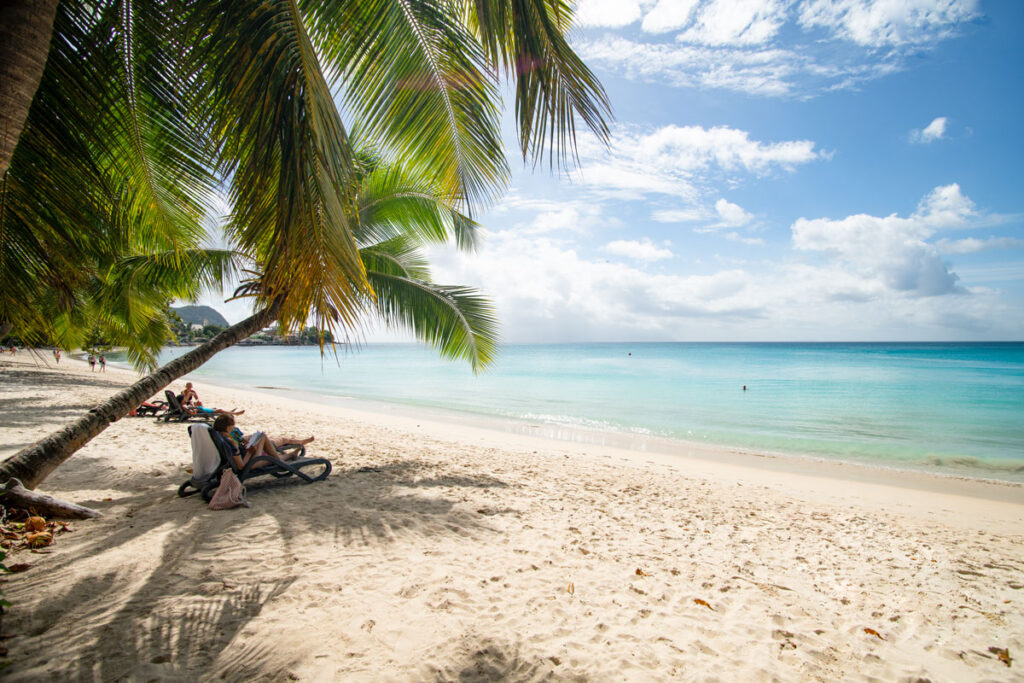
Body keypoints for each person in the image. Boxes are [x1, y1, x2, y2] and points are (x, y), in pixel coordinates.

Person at [212, 414, 313, 469]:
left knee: (269, 456)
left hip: (247, 458)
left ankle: (291, 455)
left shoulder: (220, 437)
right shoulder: (231, 443)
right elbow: (241, 466)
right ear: (228, 427)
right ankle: (282, 462)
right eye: (232, 426)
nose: (234, 427)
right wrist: (251, 452)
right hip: (250, 464)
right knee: (263, 437)